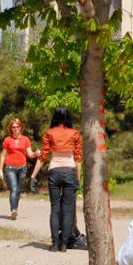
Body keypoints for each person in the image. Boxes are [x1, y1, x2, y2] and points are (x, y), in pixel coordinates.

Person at [30, 107, 82, 253]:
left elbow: (43, 156)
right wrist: (78, 177)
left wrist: (33, 175)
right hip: (70, 172)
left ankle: (54, 244)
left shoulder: (49, 133)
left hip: (54, 172)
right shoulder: (75, 134)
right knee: (67, 210)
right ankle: (64, 245)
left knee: (55, 209)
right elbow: (78, 158)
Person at [0, 118, 35, 221]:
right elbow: (3, 155)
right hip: (10, 168)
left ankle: (15, 210)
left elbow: (30, 154)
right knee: (14, 188)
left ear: (21, 127)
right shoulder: (7, 140)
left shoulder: (25, 139)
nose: (16, 129)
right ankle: (13, 209)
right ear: (11, 129)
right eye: (13, 127)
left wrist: (36, 153)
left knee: (18, 190)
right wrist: (0, 169)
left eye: (17, 126)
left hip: (22, 168)